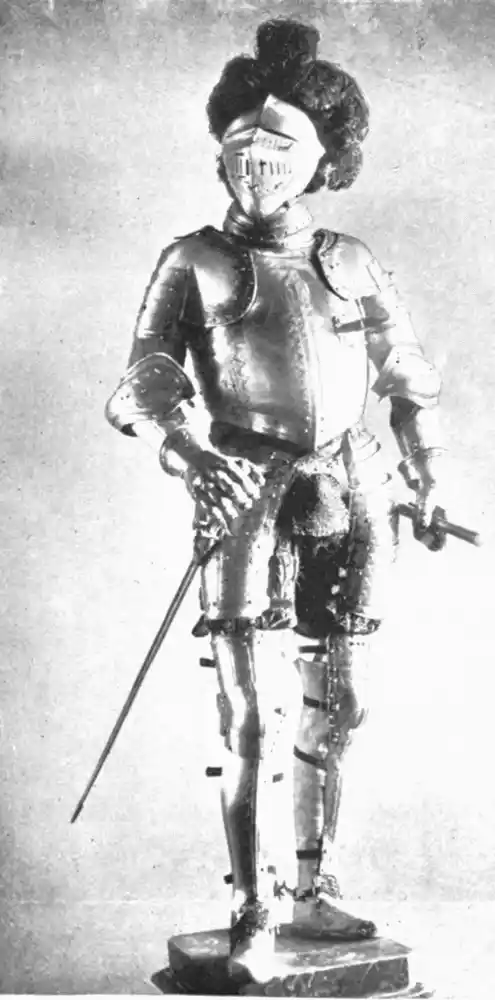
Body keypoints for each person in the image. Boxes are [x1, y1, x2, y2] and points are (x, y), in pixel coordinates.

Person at [105, 18, 447, 979]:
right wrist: (187, 450)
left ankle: (312, 889)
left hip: (355, 480)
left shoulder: (352, 259)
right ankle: (250, 909)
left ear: (325, 158)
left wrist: (427, 477)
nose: (256, 158)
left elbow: (406, 376)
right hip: (246, 487)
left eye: (281, 142)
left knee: (341, 702)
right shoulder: (195, 260)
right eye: (241, 140)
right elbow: (141, 381)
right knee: (249, 717)